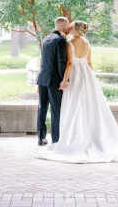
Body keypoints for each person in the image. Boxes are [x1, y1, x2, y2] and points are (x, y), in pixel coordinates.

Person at [35, 20, 118, 163]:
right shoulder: (87, 44)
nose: (69, 28)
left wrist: (64, 79)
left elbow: (68, 63)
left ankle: (65, 138)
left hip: (74, 75)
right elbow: (90, 63)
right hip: (86, 76)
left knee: (72, 107)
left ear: (74, 29)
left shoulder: (67, 43)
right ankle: (91, 138)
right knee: (90, 107)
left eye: (71, 27)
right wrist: (92, 80)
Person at [36, 16, 69, 146]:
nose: (68, 28)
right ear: (61, 25)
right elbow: (61, 62)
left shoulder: (46, 39)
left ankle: (41, 138)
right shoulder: (61, 41)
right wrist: (64, 79)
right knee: (56, 109)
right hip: (54, 80)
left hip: (42, 78)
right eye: (66, 26)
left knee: (42, 108)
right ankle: (56, 140)